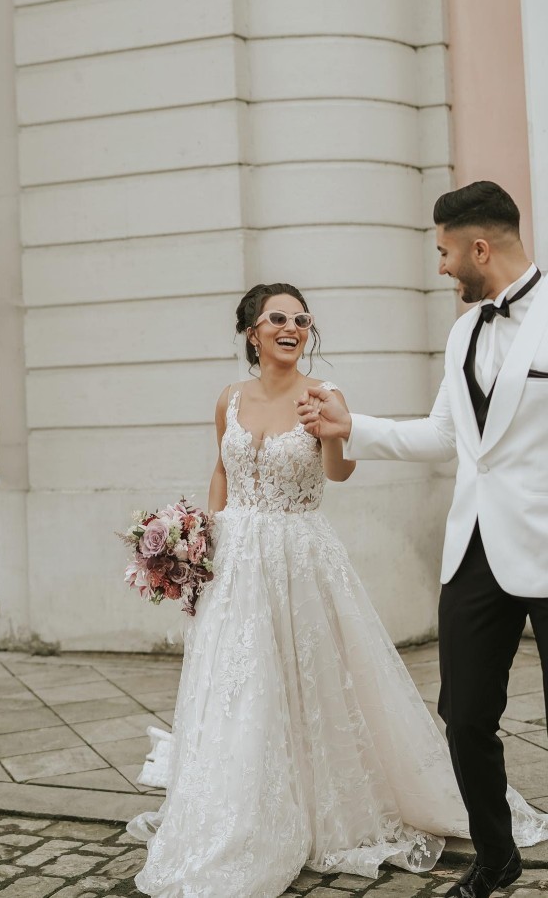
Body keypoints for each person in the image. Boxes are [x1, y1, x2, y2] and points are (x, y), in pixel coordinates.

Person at [128, 280, 548, 898]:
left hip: (300, 554)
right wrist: (201, 544)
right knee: (240, 686)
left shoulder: (324, 394)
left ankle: (326, 804)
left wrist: (329, 429)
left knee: (311, 679)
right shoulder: (229, 399)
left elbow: (338, 472)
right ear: (252, 331)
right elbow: (221, 469)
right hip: (237, 560)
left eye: (301, 318)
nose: (291, 327)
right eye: (277, 318)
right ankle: (241, 810)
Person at [297, 181, 548, 898]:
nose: (440, 267)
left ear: (477, 247)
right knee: (464, 714)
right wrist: (355, 428)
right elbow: (447, 434)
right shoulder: (463, 332)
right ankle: (496, 857)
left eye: (443, 252)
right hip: (473, 548)